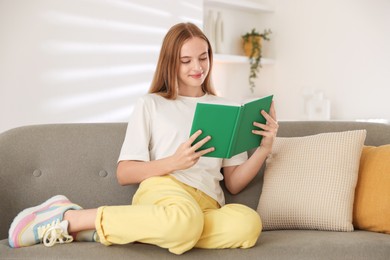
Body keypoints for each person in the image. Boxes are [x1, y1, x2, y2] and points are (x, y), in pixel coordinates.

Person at [8, 22, 278, 255]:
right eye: (186, 61)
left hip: (207, 204)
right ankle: (71, 218)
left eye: (203, 57)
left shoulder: (227, 108)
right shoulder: (151, 104)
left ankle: (114, 230)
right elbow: (124, 173)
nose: (198, 67)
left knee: (247, 224)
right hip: (165, 192)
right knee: (184, 221)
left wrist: (264, 149)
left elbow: (233, 183)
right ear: (170, 62)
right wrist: (174, 162)